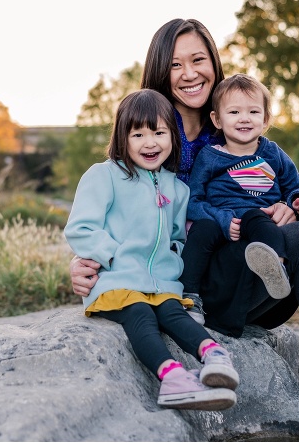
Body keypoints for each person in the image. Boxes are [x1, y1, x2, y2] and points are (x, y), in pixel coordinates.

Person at [70, 18, 299, 416]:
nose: (190, 73)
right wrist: (84, 261)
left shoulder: (233, 122)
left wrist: (288, 206)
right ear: (160, 70)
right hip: (197, 285)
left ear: (214, 62)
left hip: (258, 275)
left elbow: (276, 180)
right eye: (176, 65)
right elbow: (113, 205)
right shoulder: (152, 134)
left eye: (198, 59)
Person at [64, 88, 239, 411]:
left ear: (172, 137)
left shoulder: (176, 187)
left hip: (160, 284)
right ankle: (171, 377)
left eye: (159, 132)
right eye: (138, 134)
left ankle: (214, 355)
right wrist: (113, 256)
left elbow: (177, 237)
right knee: (139, 313)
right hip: (117, 281)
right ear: (122, 138)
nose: (150, 143)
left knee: (174, 312)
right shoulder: (104, 176)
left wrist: (172, 261)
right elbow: (81, 228)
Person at [181, 73, 299, 325]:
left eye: (253, 112)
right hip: (222, 223)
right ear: (217, 119)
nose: (244, 118)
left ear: (265, 119)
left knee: (258, 217)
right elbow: (193, 201)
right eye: (234, 113)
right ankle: (189, 296)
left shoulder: (272, 153)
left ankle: (277, 266)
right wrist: (222, 219)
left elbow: (295, 186)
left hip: (259, 219)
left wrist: (297, 201)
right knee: (201, 231)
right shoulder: (210, 157)